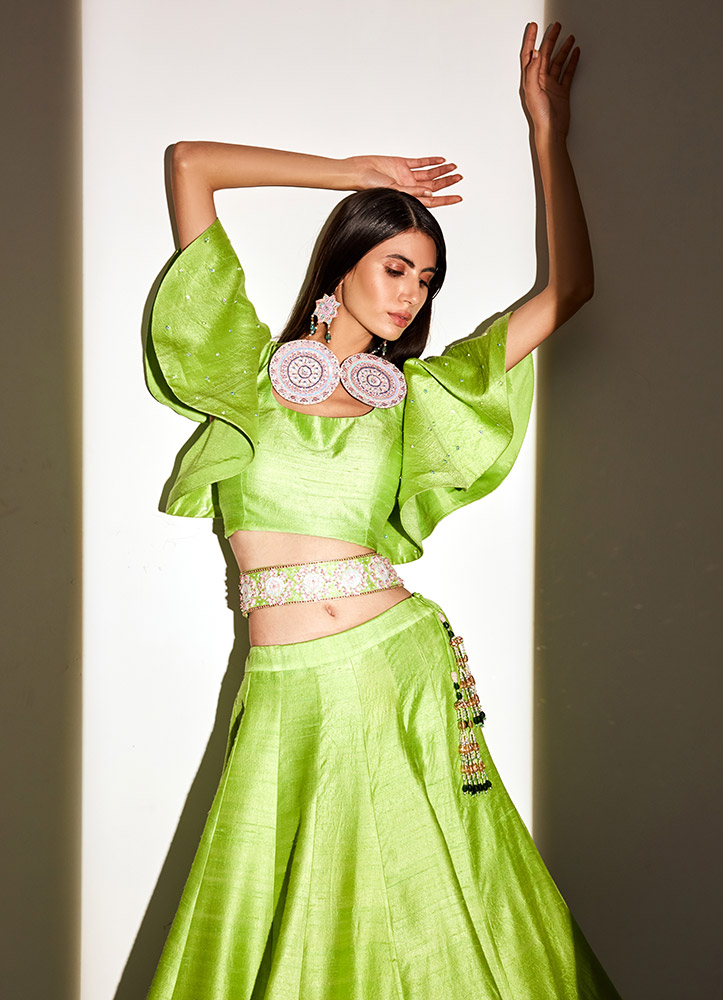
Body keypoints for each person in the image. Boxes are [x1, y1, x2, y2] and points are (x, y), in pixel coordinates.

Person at [144, 21, 622, 1000]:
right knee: (296, 923)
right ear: (345, 263)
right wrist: (348, 173)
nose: (412, 293)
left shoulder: (414, 401)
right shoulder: (244, 374)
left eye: (427, 278)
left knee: (438, 910)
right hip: (289, 686)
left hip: (398, 671)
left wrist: (547, 132)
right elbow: (191, 163)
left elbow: (568, 290)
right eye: (395, 266)